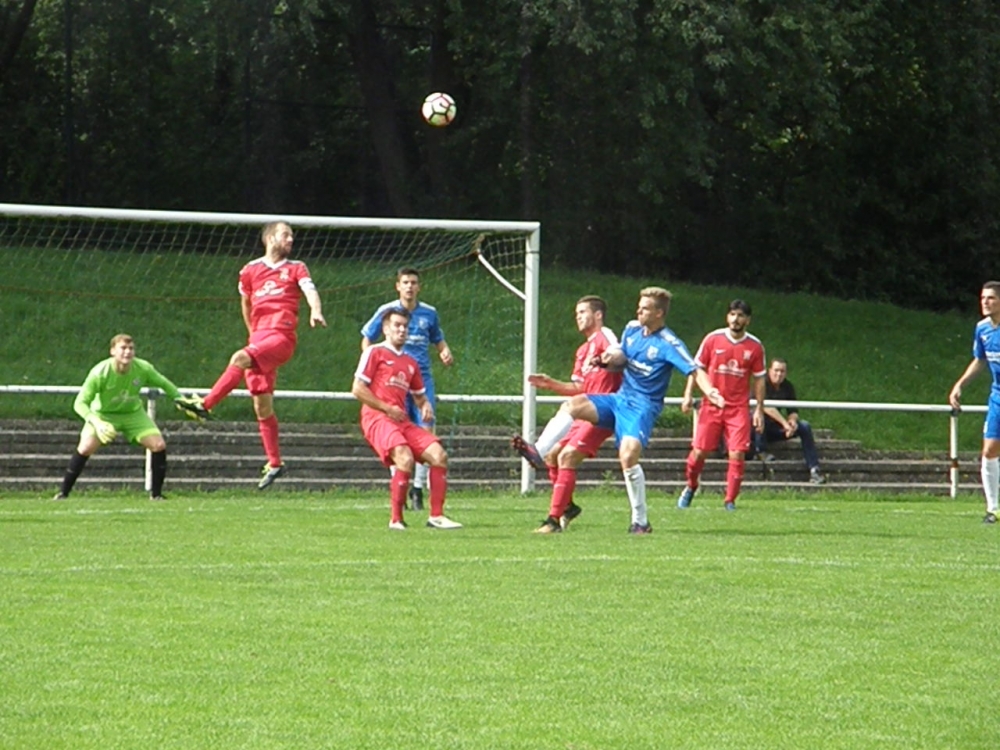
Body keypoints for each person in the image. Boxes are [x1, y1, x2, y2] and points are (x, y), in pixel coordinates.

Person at [542, 287, 724, 534]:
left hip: (642, 406)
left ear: (659, 313)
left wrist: (710, 391)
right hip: (619, 399)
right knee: (572, 405)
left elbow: (694, 369)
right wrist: (607, 361)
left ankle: (640, 522)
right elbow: (621, 360)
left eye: (645, 308)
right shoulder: (631, 329)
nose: (639, 311)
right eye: (639, 306)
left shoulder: (669, 343)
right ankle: (538, 450)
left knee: (628, 456)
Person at [188, 221, 326, 490]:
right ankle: (275, 462)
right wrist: (253, 335)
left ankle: (205, 405)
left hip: (281, 337)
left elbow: (310, 290)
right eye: (286, 235)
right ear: (270, 238)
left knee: (238, 358)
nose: (290, 240)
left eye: (292, 236)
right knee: (262, 406)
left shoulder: (296, 267)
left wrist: (316, 310)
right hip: (259, 339)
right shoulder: (250, 270)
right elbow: (246, 302)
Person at [510, 295, 622, 534]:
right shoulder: (582, 351)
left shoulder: (605, 336)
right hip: (584, 410)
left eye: (583, 312)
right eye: (576, 313)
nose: (578, 317)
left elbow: (616, 351)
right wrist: (551, 384)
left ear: (598, 315)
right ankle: (568, 507)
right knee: (553, 456)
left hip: (603, 411)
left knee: (567, 457)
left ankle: (553, 521)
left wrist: (609, 357)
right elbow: (578, 387)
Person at [54, 333, 205, 501]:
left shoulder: (142, 368)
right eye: (123, 348)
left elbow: (163, 383)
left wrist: (180, 399)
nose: (127, 352)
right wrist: (96, 422)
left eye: (131, 348)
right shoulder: (100, 372)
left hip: (132, 414)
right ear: (112, 351)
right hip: (103, 415)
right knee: (85, 448)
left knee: (158, 445)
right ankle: (63, 493)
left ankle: (156, 495)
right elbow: (79, 403)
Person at [353, 308, 462, 530]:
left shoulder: (410, 362)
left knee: (439, 455)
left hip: (400, 420)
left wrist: (425, 405)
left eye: (405, 326)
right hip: (377, 417)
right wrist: (386, 408)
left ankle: (436, 516)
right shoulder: (374, 352)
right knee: (404, 457)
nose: (402, 330)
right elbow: (357, 389)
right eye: (397, 325)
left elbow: (419, 396)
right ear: (386, 329)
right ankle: (396, 519)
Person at [360, 267, 453, 511]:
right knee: (395, 432)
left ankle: (418, 489)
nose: (410, 286)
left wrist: (444, 350)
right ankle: (398, 487)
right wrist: (373, 363)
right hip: (394, 382)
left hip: (421, 379)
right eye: (405, 282)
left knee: (425, 428)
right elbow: (367, 337)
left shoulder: (429, 313)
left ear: (419, 287)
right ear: (398, 286)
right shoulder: (387, 312)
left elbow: (438, 339)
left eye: (413, 282)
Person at [678, 299, 766, 511]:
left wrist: (759, 409)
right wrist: (688, 394)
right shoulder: (713, 339)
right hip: (711, 405)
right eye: (733, 314)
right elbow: (696, 369)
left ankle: (729, 500)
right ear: (727, 317)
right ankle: (691, 486)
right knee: (699, 452)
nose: (736, 319)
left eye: (741, 316)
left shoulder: (755, 346)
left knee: (737, 453)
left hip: (738, 408)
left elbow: (759, 378)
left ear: (748, 320)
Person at [949, 280, 1000, 524]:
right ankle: (993, 509)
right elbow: (980, 360)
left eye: (991, 298)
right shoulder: (982, 329)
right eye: (983, 298)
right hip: (997, 397)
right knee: (989, 451)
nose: (985, 302)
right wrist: (960, 384)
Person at [754, 358, 825, 484]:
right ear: (769, 371)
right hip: (757, 429)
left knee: (804, 426)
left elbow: (793, 410)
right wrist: (785, 423)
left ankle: (814, 469)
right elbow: (766, 407)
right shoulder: (761, 384)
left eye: (782, 371)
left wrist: (792, 422)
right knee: (760, 418)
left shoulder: (787, 386)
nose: (779, 374)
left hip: (775, 428)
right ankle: (760, 451)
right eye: (776, 370)